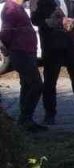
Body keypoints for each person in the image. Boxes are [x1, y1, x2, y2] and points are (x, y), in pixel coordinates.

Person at [31, 0, 74, 123]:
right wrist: (60, 22)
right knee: (50, 81)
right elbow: (36, 20)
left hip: (72, 45)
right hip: (52, 47)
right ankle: (50, 114)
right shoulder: (38, 1)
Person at [1, 0, 45, 132]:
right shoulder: (11, 8)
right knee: (36, 85)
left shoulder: (17, 8)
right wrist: (10, 48)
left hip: (26, 51)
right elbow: (6, 32)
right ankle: (25, 119)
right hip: (20, 52)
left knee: (27, 85)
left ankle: (25, 121)